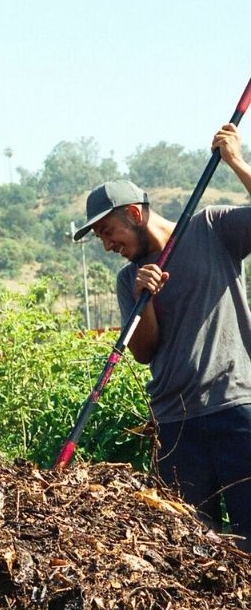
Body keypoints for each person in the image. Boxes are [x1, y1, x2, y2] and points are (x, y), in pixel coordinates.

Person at [76, 123, 251, 548]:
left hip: (235, 408)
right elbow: (143, 351)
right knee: (189, 547)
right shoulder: (128, 280)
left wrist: (236, 162)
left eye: (107, 232)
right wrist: (145, 299)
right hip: (175, 423)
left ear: (133, 214)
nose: (106, 245)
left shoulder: (213, 229)